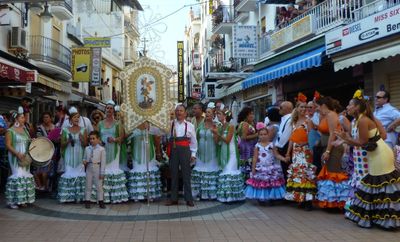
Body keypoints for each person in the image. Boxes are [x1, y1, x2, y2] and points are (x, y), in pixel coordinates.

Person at [336, 90, 400, 229]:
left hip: (380, 155)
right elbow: (374, 138)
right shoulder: (360, 119)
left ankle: (387, 221)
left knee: (384, 185)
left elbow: (362, 142)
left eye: (349, 105)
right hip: (376, 154)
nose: (347, 107)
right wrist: (348, 140)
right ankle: (380, 219)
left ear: (357, 107)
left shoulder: (363, 120)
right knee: (377, 186)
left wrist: (346, 139)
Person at [314, 97, 351, 209]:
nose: (316, 108)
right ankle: (331, 202)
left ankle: (337, 203)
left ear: (323, 105)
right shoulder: (325, 115)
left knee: (334, 174)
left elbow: (332, 134)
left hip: (334, 147)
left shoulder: (331, 115)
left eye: (317, 106)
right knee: (328, 173)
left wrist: (328, 151)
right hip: (326, 146)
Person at [284, 100, 317, 211]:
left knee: (306, 174)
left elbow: (313, 138)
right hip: (296, 151)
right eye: (301, 107)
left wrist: (307, 143)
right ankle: (300, 198)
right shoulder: (294, 122)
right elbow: (291, 139)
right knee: (298, 174)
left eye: (305, 107)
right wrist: (288, 153)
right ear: (297, 108)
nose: (304, 109)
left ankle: (308, 201)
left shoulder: (309, 121)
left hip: (306, 151)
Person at [245, 123, 286, 204]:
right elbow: (255, 157)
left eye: (265, 134)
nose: (263, 136)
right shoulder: (257, 146)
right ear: (258, 136)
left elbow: (276, 154)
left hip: (270, 167)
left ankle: (271, 197)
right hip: (260, 167)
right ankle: (261, 198)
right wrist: (253, 169)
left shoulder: (271, 144)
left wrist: (283, 159)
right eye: (261, 134)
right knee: (261, 183)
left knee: (271, 182)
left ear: (268, 135)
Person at [165, 105, 197, 207]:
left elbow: (194, 141)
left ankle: (189, 199)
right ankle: (173, 198)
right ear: (175, 112)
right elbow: (160, 132)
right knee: (173, 174)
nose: (179, 112)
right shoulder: (170, 124)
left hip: (185, 151)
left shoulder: (190, 125)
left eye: (181, 111)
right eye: (177, 111)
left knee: (186, 174)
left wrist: (193, 154)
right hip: (173, 150)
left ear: (185, 113)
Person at [98, 100, 129, 203]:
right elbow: (96, 137)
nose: (109, 110)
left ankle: (116, 195)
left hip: (115, 150)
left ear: (113, 111)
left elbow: (122, 137)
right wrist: (100, 142)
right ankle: (103, 196)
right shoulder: (100, 124)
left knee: (113, 170)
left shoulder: (118, 123)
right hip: (103, 151)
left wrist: (114, 140)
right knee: (104, 170)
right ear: (105, 109)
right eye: (107, 108)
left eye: (111, 108)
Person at [5, 107, 35, 209]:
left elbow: (28, 141)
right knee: (18, 176)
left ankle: (22, 200)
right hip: (15, 157)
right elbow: (8, 145)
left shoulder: (25, 130)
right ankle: (13, 201)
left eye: (24, 117)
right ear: (16, 119)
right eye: (22, 117)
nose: (24, 119)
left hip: (25, 157)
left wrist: (32, 141)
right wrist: (17, 154)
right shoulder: (10, 131)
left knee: (25, 176)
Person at [213, 108, 245, 202]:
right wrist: (215, 134)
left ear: (225, 116)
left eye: (219, 114)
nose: (217, 116)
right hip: (223, 151)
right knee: (225, 170)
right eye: (217, 114)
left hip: (231, 152)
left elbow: (227, 140)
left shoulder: (231, 126)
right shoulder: (219, 126)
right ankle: (226, 196)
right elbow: (217, 142)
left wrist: (217, 134)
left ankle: (233, 197)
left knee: (230, 171)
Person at [127, 121, 162, 201]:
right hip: (137, 152)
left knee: (149, 169)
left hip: (149, 152)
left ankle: (150, 194)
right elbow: (126, 137)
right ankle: (138, 195)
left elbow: (157, 138)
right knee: (138, 169)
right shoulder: (132, 125)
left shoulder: (152, 125)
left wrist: (158, 152)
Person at [58, 107, 87, 203]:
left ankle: (79, 197)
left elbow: (85, 145)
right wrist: (68, 141)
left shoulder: (83, 130)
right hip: (69, 156)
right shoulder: (65, 130)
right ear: (70, 119)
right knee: (69, 173)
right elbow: (62, 145)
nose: (76, 119)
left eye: (78, 117)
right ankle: (68, 197)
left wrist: (82, 139)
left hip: (80, 156)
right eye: (74, 117)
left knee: (79, 175)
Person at [191, 107, 220, 200]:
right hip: (200, 153)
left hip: (212, 154)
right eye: (206, 112)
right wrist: (194, 153)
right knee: (199, 171)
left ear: (213, 115)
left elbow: (218, 142)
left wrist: (215, 133)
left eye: (209, 112)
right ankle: (199, 194)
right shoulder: (200, 126)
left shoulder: (217, 125)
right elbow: (195, 140)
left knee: (211, 172)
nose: (207, 114)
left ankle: (211, 195)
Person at [83, 131, 106, 209]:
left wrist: (102, 172)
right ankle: (87, 201)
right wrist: (84, 161)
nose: (92, 140)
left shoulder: (101, 149)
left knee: (99, 186)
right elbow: (84, 158)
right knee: (88, 185)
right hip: (89, 168)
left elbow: (103, 162)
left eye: (93, 138)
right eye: (90, 139)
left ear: (98, 139)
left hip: (97, 168)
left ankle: (101, 201)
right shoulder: (87, 148)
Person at [34, 112, 56, 192]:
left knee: (48, 171)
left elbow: (58, 139)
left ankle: (47, 187)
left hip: (52, 151)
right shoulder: (40, 128)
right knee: (38, 171)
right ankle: (41, 186)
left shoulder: (55, 127)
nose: (45, 119)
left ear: (50, 118)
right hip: (42, 151)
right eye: (44, 117)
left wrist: (55, 139)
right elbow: (38, 138)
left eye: (47, 117)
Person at [237, 107, 258, 181]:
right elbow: (244, 137)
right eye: (250, 114)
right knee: (248, 165)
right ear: (245, 115)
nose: (252, 116)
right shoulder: (245, 124)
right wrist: (257, 135)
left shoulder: (246, 123)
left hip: (248, 147)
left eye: (253, 114)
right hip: (247, 147)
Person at [275, 101, 294, 180]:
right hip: (283, 146)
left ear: (287, 109)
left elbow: (285, 136)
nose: (279, 109)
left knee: (287, 170)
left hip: (285, 147)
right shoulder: (284, 118)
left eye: (281, 107)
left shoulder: (289, 119)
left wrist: (277, 146)